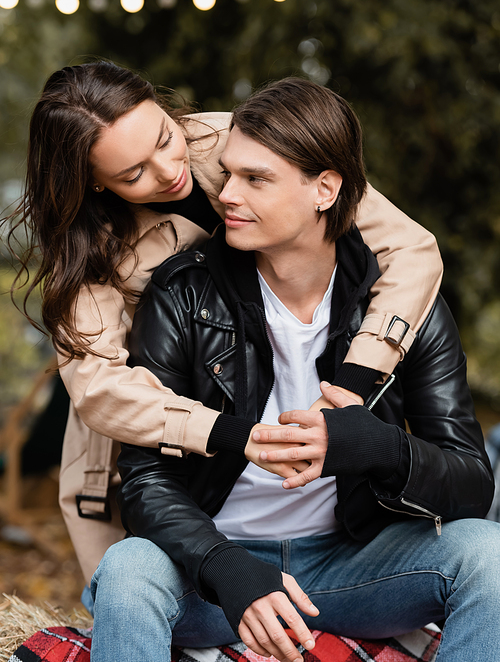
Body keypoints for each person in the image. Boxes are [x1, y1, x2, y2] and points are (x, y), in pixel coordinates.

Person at [90, 77, 498, 662]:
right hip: (217, 573)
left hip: (352, 566)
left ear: (324, 190)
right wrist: (223, 566)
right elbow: (146, 480)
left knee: (488, 554)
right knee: (128, 567)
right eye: (228, 173)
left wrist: (378, 448)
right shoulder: (182, 293)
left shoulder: (403, 304)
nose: (226, 194)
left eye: (256, 180)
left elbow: (471, 486)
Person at [5, 61, 443, 589]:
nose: (169, 170)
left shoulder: (235, 142)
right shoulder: (88, 250)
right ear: (93, 185)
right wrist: (230, 433)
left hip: (276, 379)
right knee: (133, 587)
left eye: (166, 138)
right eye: (132, 174)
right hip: (147, 413)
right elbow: (99, 386)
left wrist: (353, 381)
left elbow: (411, 249)